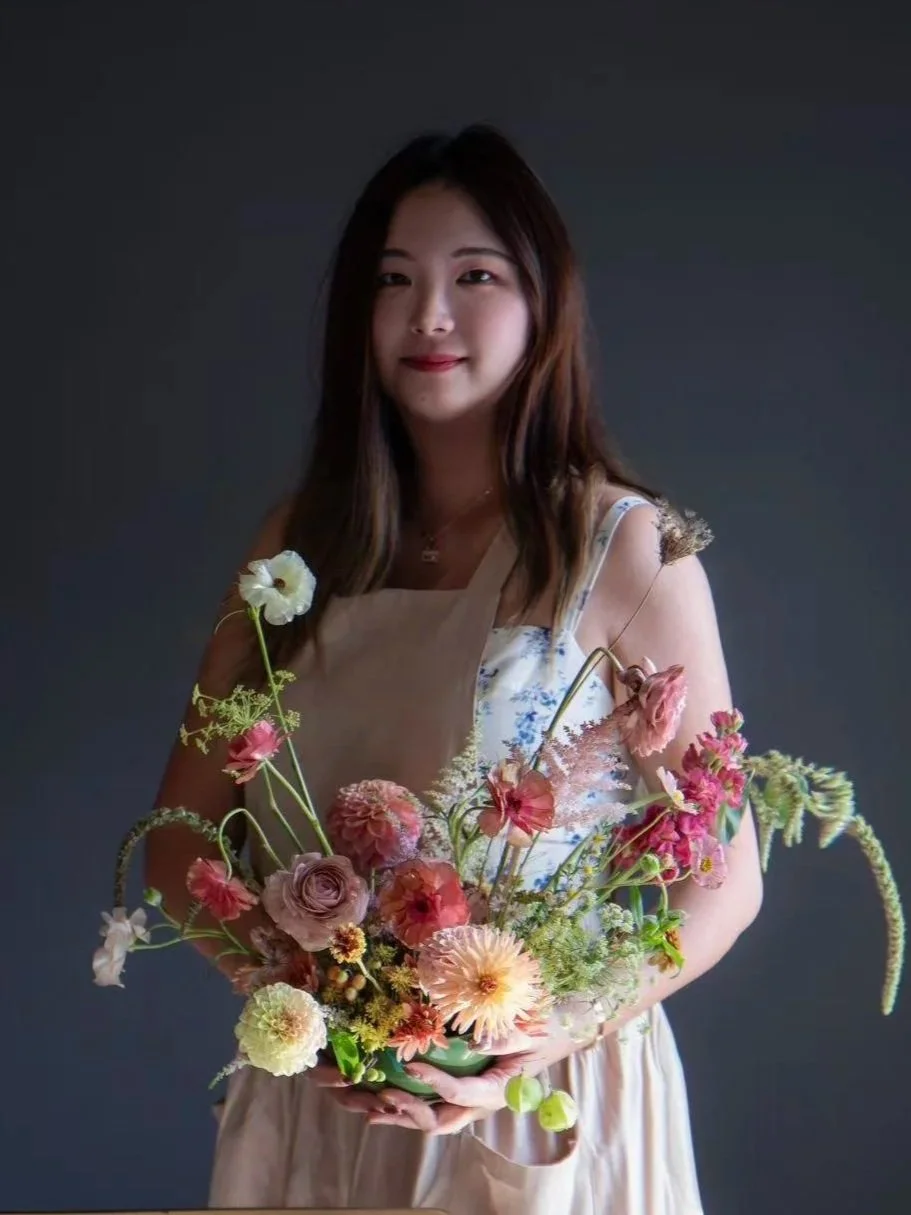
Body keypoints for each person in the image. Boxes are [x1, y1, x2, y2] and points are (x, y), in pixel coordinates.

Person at [146, 123, 764, 1215]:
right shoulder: (300, 546)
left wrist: (533, 1036)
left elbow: (724, 879)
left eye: (473, 276)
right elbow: (180, 838)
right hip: (320, 1106)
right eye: (393, 280)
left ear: (542, 303)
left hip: (534, 1094)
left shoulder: (621, 547)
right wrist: (306, 1016)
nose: (428, 314)